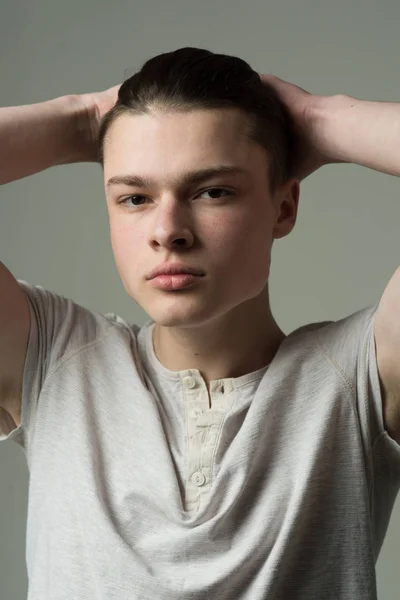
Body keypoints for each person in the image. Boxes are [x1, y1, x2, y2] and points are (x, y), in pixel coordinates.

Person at [1, 46, 400, 600]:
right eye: (135, 197)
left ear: (283, 208)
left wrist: (320, 120)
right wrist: (84, 118)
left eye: (213, 191)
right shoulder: (52, 359)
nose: (169, 231)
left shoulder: (358, 377)